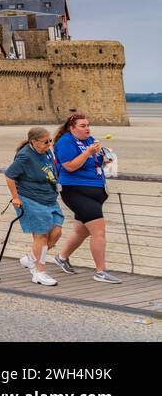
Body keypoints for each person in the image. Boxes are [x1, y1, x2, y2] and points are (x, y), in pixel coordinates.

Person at [51, 115, 121, 283]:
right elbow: (70, 166)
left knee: (81, 231)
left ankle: (61, 257)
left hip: (96, 190)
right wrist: (89, 152)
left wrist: (103, 158)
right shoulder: (66, 142)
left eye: (88, 125)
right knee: (99, 231)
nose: (87, 128)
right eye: (82, 126)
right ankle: (100, 271)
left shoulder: (89, 140)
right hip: (75, 191)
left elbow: (94, 164)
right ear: (72, 128)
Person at [3, 127, 63, 285]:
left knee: (56, 232)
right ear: (33, 142)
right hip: (30, 198)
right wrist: (15, 197)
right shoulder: (24, 157)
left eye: (50, 141)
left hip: (49, 197)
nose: (49, 144)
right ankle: (39, 272)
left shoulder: (47, 151)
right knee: (41, 236)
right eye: (45, 142)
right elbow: (9, 175)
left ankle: (31, 258)